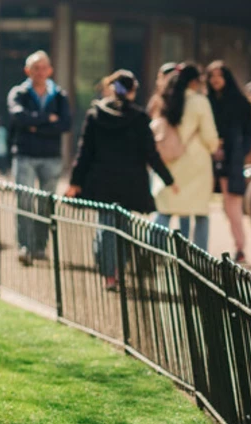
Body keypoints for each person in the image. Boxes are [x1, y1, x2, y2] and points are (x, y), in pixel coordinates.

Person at [66, 70, 175, 291]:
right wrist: (168, 179)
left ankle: (109, 272)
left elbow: (84, 152)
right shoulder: (140, 118)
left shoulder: (95, 115)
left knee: (105, 225)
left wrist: (75, 181)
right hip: (130, 182)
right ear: (133, 91)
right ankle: (116, 266)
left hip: (101, 180)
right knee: (122, 227)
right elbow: (150, 153)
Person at [7, 50, 71, 265]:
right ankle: (25, 246)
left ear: (50, 70)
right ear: (28, 71)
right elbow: (18, 118)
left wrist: (36, 126)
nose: (40, 72)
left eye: (44, 68)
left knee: (45, 204)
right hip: (25, 155)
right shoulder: (19, 93)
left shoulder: (60, 95)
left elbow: (65, 124)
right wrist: (48, 120)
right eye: (36, 68)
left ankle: (40, 247)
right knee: (24, 202)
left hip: (51, 157)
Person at [153, 63, 220, 251]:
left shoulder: (166, 98)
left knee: (165, 211)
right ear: (194, 82)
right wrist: (215, 145)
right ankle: (199, 257)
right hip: (197, 165)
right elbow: (210, 136)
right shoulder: (200, 102)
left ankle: (150, 252)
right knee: (200, 213)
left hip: (171, 162)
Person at [207, 61, 251, 263]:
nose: (215, 80)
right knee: (201, 205)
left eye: (219, 75)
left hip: (231, 162)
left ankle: (240, 247)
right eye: (212, 76)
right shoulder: (206, 101)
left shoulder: (240, 103)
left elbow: (249, 133)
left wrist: (239, 152)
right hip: (207, 161)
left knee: (232, 207)